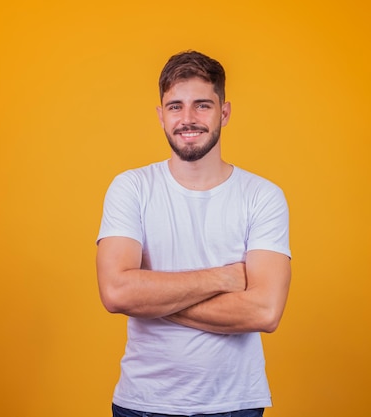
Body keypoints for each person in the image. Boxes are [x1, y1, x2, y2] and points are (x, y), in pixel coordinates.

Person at [96, 50, 292, 417]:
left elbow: (265, 312)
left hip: (235, 404)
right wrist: (226, 277)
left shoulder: (262, 196)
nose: (188, 119)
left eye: (202, 105)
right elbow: (116, 292)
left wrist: (152, 297)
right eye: (175, 106)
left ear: (225, 112)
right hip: (142, 404)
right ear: (160, 115)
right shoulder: (132, 188)